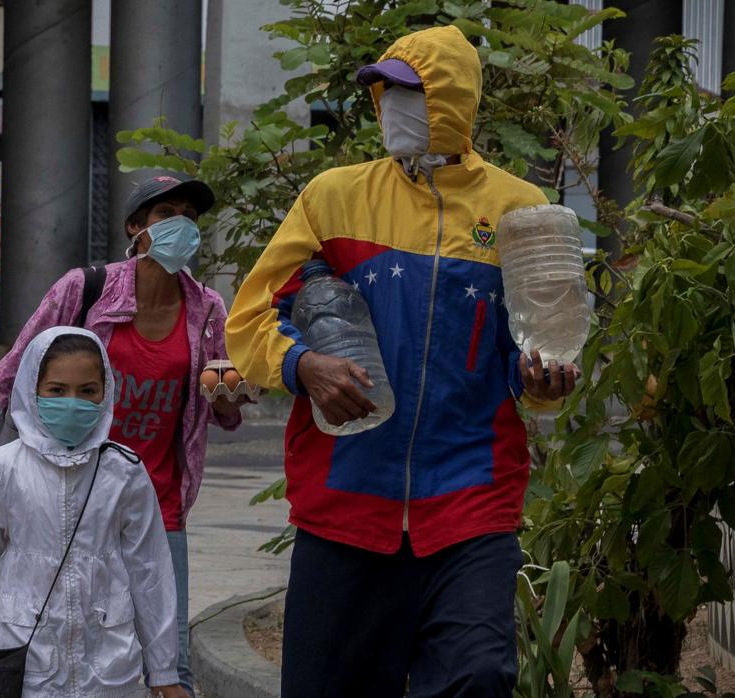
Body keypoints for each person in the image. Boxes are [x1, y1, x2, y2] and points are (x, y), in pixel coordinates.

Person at [224, 26, 580, 697]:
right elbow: (251, 318)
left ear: (450, 97)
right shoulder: (334, 197)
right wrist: (303, 367)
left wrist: (545, 381)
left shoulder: (519, 211)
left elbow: (533, 355)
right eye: (383, 91)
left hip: (471, 504)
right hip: (346, 502)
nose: (390, 104)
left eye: (406, 90)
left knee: (477, 678)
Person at [0, 174, 242, 696]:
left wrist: (229, 397)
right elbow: (15, 369)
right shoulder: (85, 289)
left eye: (190, 217)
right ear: (135, 227)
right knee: (66, 638)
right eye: (165, 214)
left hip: (160, 498)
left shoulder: (207, 308)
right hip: (69, 487)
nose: (181, 227)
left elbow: (222, 411)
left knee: (173, 668)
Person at [0, 327, 188, 698]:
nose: (73, 402)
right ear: (32, 391)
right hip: (28, 669)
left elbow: (151, 572)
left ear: (106, 393)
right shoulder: (1, 468)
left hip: (109, 671)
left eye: (87, 391)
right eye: (56, 390)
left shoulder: (124, 471)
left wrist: (164, 670)